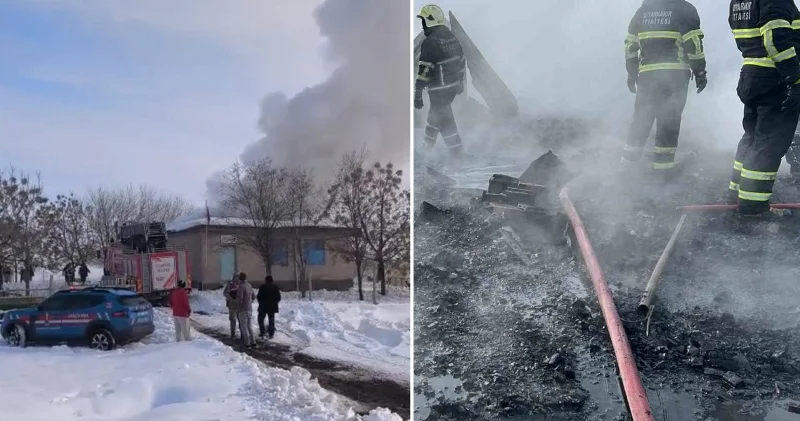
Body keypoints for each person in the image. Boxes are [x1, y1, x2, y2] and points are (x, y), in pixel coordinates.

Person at [727, 0, 800, 217]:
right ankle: (753, 206)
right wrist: (794, 78)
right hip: (775, 79)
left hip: (752, 75)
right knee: (769, 142)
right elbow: (775, 39)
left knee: (752, 137)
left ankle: (737, 193)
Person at [622, 0, 707, 174]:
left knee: (641, 119)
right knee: (669, 121)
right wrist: (700, 72)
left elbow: (630, 46)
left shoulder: (643, 12)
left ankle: (628, 166)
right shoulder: (684, 9)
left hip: (646, 77)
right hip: (674, 76)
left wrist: (631, 73)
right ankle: (662, 171)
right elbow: (693, 44)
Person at [415, 4, 466, 156]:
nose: (422, 25)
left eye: (423, 21)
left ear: (429, 21)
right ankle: (427, 147)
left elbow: (425, 69)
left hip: (439, 90)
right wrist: (460, 82)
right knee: (436, 116)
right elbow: (461, 60)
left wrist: (418, 91)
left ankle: (457, 154)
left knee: (445, 120)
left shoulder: (430, 42)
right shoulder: (451, 37)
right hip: (452, 87)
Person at [235, 272, 256, 348]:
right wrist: (249, 301)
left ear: (240, 278)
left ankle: (247, 343)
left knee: (244, 326)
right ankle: (253, 341)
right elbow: (253, 296)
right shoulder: (249, 285)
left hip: (243, 309)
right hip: (249, 308)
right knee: (249, 326)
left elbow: (240, 299)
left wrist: (238, 306)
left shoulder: (241, 287)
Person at [222, 273, 240, 339]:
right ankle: (233, 333)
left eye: (238, 278)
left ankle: (242, 333)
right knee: (233, 320)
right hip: (232, 305)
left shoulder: (241, 285)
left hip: (239, 305)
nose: (237, 280)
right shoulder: (230, 285)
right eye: (236, 278)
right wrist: (231, 299)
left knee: (240, 320)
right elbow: (225, 293)